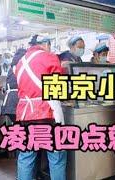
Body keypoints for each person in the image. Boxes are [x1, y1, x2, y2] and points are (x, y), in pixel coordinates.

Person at [14, 35, 66, 180]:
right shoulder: (50, 57)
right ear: (46, 45)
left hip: (25, 115)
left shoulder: (20, 62)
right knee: (56, 157)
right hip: (47, 113)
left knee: (26, 156)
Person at [2, 48, 26, 122]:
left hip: (9, 102)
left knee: (17, 125)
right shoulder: (23, 67)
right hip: (17, 100)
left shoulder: (12, 68)